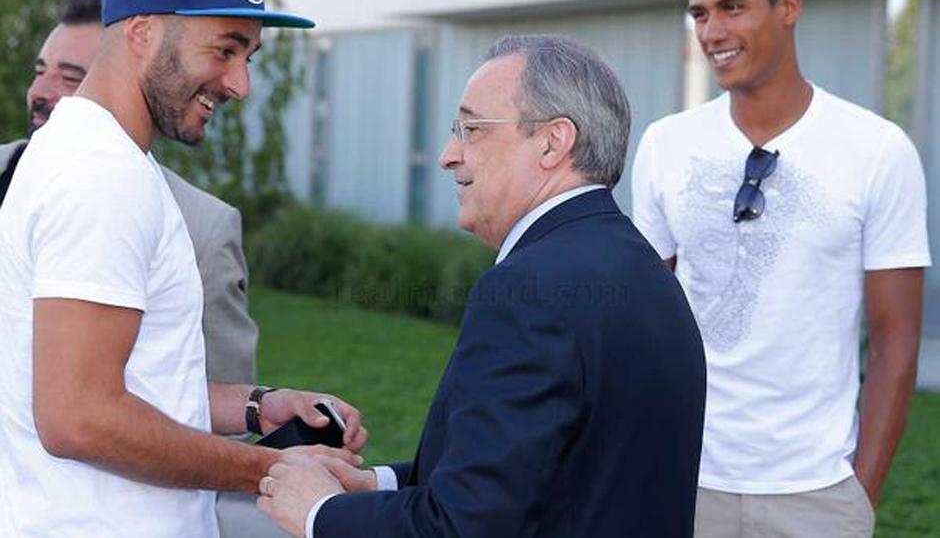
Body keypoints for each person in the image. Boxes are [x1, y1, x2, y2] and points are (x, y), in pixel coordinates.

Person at [256, 34, 707, 538]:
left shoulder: (527, 292)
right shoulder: (646, 273)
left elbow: (463, 526)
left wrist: (320, 513)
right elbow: (539, 474)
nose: (449, 155)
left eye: (471, 129)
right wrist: (375, 483)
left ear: (553, 142)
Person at [0, 0, 366, 538]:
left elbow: (117, 380)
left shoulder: (89, 156)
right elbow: (78, 417)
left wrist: (257, 405)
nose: (239, 84)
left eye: (247, 57)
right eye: (225, 50)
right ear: (142, 32)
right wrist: (271, 468)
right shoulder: (102, 177)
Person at [631, 0, 931, 538]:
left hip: (817, 493)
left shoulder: (876, 150)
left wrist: (860, 494)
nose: (712, 31)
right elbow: (643, 321)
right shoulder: (666, 145)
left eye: (732, 8)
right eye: (700, 13)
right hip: (684, 479)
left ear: (788, 7)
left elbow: (896, 337)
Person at [1, 0, 258, 386]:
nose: (40, 92)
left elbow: (198, 404)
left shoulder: (203, 230)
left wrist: (256, 414)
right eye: (40, 72)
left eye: (70, 77)